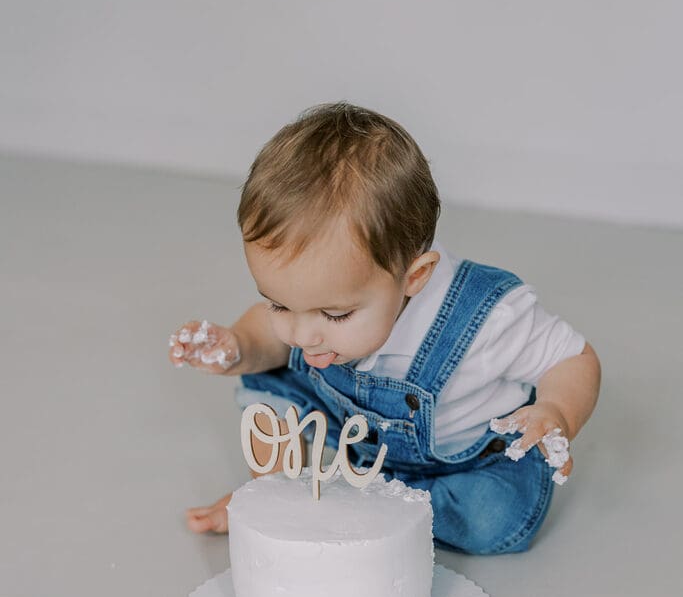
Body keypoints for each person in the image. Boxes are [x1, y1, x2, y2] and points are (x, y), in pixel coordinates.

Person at [168, 102, 601, 554]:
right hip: (356, 437)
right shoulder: (311, 316)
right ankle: (275, 501)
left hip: (462, 464)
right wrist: (236, 346)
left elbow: (573, 359)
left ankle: (360, 505)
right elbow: (267, 337)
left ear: (414, 277)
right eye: (279, 303)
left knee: (493, 518)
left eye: (334, 315)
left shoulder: (488, 318)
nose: (301, 334)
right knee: (266, 389)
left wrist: (558, 411)